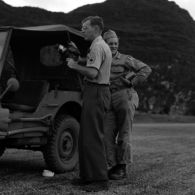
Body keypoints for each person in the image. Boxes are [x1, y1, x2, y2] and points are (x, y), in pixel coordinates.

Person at [67, 16, 112, 192]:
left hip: (96, 91)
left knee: (93, 137)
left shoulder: (98, 47)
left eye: (85, 27)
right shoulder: (98, 46)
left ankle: (100, 179)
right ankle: (87, 177)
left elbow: (93, 73)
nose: (82, 30)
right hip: (95, 92)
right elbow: (93, 64)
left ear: (96, 29)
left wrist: (73, 65)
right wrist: (79, 60)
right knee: (86, 136)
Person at [103, 30, 152, 180]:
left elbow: (146, 69)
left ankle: (122, 168)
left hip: (125, 96)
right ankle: (113, 165)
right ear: (104, 43)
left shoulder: (125, 59)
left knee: (124, 134)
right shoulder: (101, 59)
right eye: (110, 43)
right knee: (106, 134)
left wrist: (133, 81)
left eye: (115, 43)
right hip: (108, 97)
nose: (113, 46)